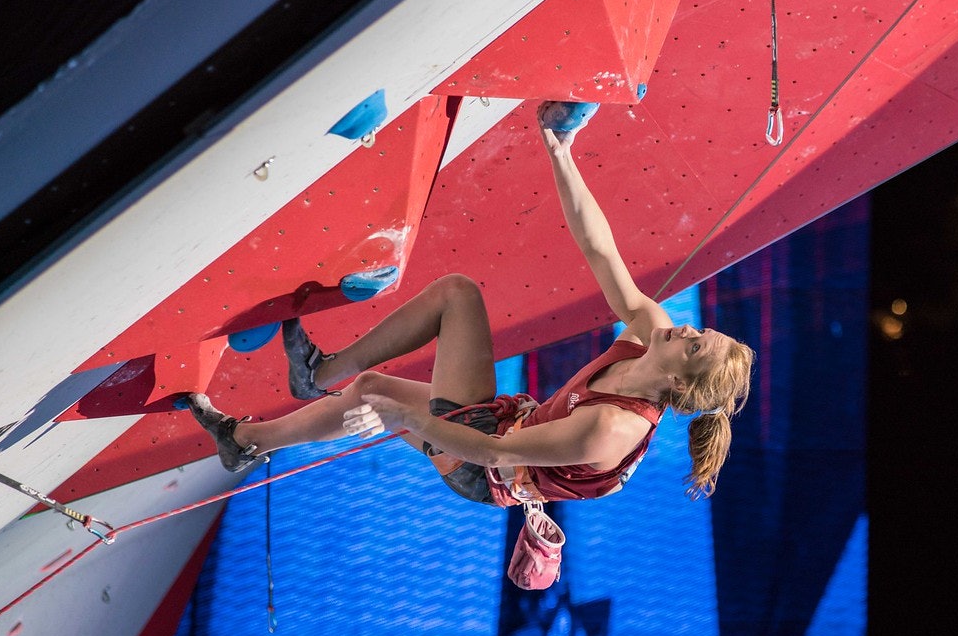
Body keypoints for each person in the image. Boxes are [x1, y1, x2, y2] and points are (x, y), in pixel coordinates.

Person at [186, 102, 755, 505]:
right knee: (368, 391)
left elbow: (492, 452)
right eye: (696, 331)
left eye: (695, 344)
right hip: (507, 427)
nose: (685, 328)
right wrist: (561, 149)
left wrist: (406, 417)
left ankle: (312, 381)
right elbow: (599, 248)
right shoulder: (648, 331)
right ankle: (245, 438)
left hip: (486, 469)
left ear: (679, 384)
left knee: (455, 298)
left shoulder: (610, 429)